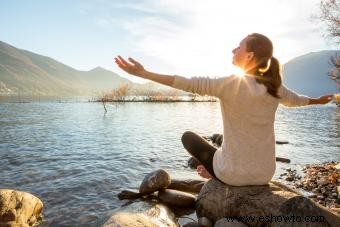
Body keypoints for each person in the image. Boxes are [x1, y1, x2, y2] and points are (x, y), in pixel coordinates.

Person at [114, 33, 333, 186]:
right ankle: (216, 169)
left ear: (249, 56)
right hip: (265, 173)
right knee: (221, 148)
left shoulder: (230, 84)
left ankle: (215, 173)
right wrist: (319, 101)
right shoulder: (275, 88)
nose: (233, 49)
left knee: (188, 137)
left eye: (239, 46)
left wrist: (145, 74)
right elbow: (297, 100)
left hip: (233, 175)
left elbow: (187, 83)